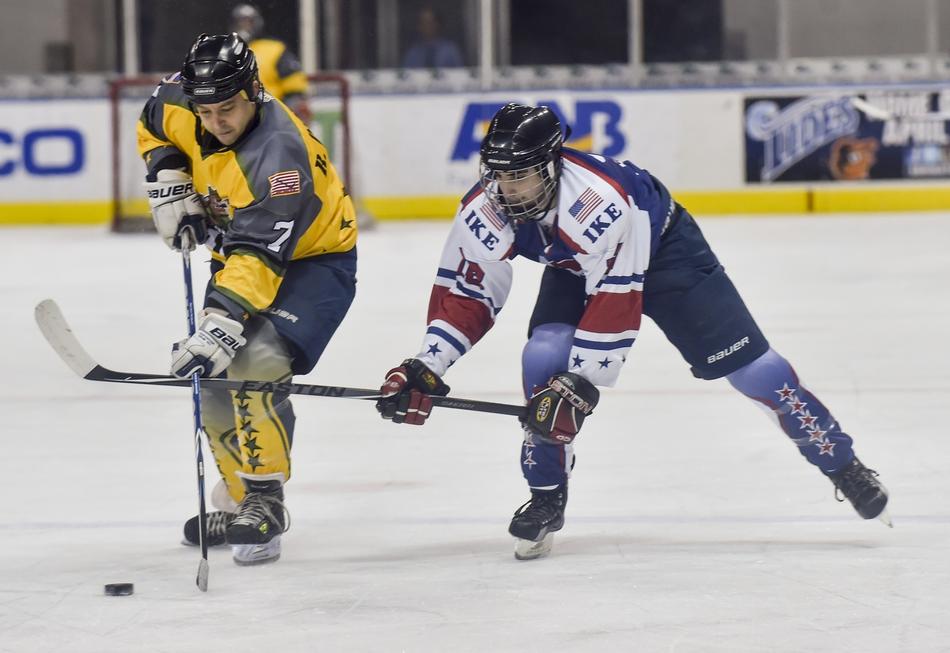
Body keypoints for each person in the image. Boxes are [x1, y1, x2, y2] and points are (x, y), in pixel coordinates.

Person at [376, 103, 889, 560]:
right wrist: (426, 365)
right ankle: (546, 495)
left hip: (668, 254)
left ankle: (840, 462)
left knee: (758, 372)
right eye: (499, 177)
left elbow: (617, 297)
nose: (507, 192)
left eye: (522, 177)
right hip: (579, 264)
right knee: (542, 357)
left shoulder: (600, 202)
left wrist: (579, 385)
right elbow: (467, 291)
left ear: (552, 168)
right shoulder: (486, 205)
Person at [137, 33, 358, 565]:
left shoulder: (280, 158)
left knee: (253, 357)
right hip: (241, 252)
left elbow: (262, 254)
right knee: (211, 373)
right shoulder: (185, 103)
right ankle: (240, 499)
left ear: (254, 91)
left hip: (314, 263)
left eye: (228, 108)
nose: (217, 121)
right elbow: (150, 121)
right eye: (206, 111)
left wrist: (221, 321)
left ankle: (267, 500)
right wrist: (169, 172)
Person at [231, 3, 312, 122]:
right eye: (240, 22)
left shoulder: (275, 49)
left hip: (272, 118)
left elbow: (295, 87)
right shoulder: (228, 53)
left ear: (257, 23)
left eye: (249, 22)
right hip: (239, 120)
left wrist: (284, 115)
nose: (244, 26)